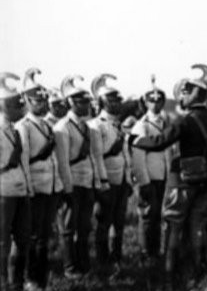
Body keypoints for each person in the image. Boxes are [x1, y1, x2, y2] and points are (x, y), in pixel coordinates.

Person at [132, 65, 207, 291]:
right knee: (197, 230)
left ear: (196, 93)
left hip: (181, 183)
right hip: (206, 183)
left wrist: (134, 140)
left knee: (173, 229)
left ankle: (169, 277)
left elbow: (160, 143)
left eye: (187, 91)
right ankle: (194, 276)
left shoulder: (184, 121)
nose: (182, 96)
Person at [53, 75, 106, 279]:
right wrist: (66, 189)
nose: (85, 105)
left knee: (84, 226)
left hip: (86, 181)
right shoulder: (62, 127)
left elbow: (94, 156)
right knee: (68, 228)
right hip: (72, 182)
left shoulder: (87, 126)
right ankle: (69, 267)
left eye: (86, 101)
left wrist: (96, 182)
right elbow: (63, 161)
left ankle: (83, 263)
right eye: (81, 102)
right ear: (70, 103)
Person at [17, 70, 58, 291]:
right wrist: (28, 190)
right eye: (38, 100)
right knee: (34, 237)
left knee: (44, 236)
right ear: (26, 101)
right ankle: (32, 280)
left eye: (44, 100)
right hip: (34, 188)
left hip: (49, 186)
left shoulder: (45, 125)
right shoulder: (24, 126)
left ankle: (41, 280)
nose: (43, 104)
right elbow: (23, 161)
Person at [89, 74, 131, 278]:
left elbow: (125, 154)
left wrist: (129, 178)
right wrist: (101, 183)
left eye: (117, 99)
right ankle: (102, 261)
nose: (116, 103)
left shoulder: (118, 123)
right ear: (102, 101)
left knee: (119, 222)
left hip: (121, 179)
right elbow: (96, 157)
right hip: (106, 181)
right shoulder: (96, 125)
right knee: (104, 222)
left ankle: (116, 258)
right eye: (112, 99)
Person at [129, 77, 170, 261]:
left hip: (162, 175)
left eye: (159, 100)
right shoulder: (141, 125)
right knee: (147, 215)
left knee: (157, 216)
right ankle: (146, 252)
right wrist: (143, 181)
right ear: (145, 102)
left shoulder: (165, 122)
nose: (155, 103)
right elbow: (138, 157)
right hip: (149, 176)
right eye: (151, 100)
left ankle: (155, 250)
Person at [1, 72, 32, 291]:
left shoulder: (14, 129)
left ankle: (16, 286)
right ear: (3, 106)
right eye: (14, 104)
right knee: (2, 242)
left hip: (19, 190)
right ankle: (4, 289)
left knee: (22, 240)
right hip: (3, 192)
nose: (20, 108)